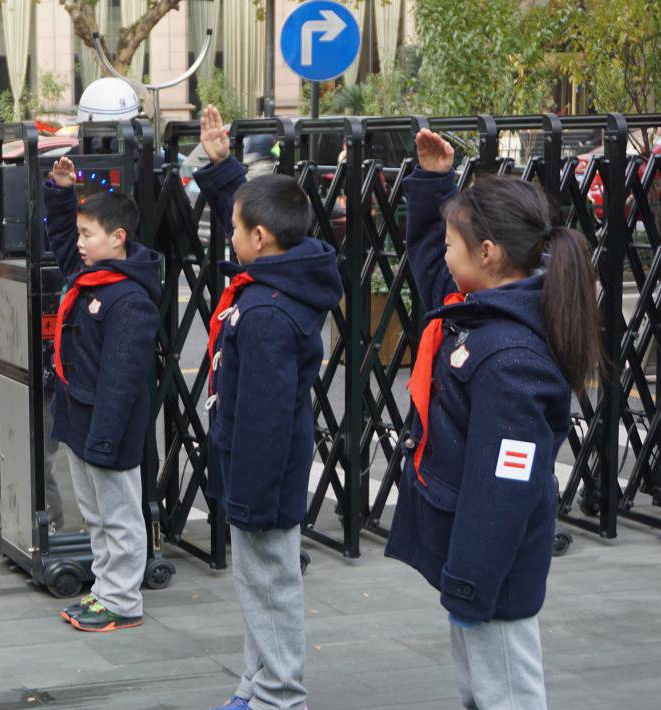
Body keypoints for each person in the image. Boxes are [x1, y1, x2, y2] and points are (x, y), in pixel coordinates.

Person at [385, 130, 600, 710]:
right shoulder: (477, 313)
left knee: (505, 691)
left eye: (456, 243)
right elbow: (430, 258)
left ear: (488, 254)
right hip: (476, 561)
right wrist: (432, 182)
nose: (444, 253)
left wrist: (471, 580)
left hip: (493, 569)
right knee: (482, 689)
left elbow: (503, 485)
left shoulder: (509, 358)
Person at [193, 105, 344, 710]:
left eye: (233, 229)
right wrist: (225, 167)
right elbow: (262, 217)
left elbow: (264, 415)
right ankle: (256, 686)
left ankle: (279, 695)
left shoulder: (266, 314)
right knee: (259, 582)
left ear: (259, 240)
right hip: (264, 471)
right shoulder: (289, 275)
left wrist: (245, 495)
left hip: (263, 475)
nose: (229, 237)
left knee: (271, 584)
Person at [43, 155, 162, 632]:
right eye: (79, 233)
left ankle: (123, 600)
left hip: (107, 426)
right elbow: (59, 243)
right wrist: (59, 191)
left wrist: (106, 439)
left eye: (88, 234)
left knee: (118, 514)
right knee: (94, 513)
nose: (79, 243)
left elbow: (122, 380)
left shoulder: (129, 297)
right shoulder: (92, 276)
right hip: (79, 417)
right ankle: (105, 590)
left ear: (118, 238)